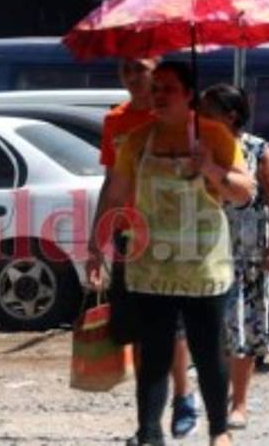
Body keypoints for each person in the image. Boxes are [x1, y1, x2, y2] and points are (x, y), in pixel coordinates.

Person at [89, 61, 255, 446]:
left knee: (207, 347)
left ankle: (219, 430)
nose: (158, 95)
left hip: (202, 266)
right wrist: (96, 244)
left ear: (187, 95)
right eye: (156, 88)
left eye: (168, 88)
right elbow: (115, 192)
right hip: (152, 265)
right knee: (154, 353)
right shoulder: (138, 139)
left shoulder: (214, 135)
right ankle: (149, 432)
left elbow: (243, 192)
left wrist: (210, 168)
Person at [91, 58, 199, 439]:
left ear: (157, 71)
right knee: (137, 330)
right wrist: (95, 242)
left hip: (173, 235)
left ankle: (184, 397)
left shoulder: (178, 116)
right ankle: (147, 422)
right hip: (129, 237)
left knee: (173, 327)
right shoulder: (115, 122)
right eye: (125, 70)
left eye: (141, 68)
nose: (133, 76)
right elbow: (109, 183)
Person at [199, 83, 269, 432]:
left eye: (208, 110)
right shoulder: (199, 150)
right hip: (206, 249)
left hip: (247, 249)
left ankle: (240, 404)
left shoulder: (257, 149)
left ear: (230, 115)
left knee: (245, 326)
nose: (200, 116)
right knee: (216, 326)